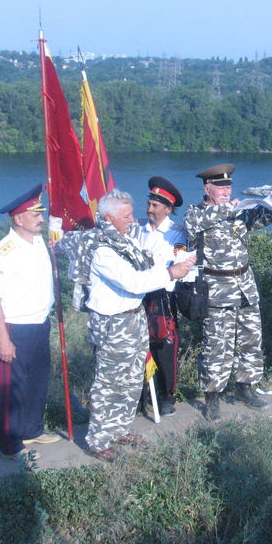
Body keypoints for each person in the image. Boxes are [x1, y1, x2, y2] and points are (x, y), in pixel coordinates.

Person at [65, 190, 193, 462]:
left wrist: (178, 265)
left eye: (132, 213)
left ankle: (119, 429)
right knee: (109, 383)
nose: (132, 219)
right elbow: (134, 282)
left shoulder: (124, 241)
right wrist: (171, 273)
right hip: (113, 323)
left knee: (133, 379)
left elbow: (147, 266)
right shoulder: (102, 248)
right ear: (109, 218)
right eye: (126, 215)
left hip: (134, 317)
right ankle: (98, 439)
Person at [184, 163, 272, 421]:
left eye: (228, 187)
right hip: (217, 290)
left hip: (245, 286)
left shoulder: (238, 213)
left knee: (250, 340)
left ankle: (245, 388)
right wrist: (228, 208)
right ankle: (213, 397)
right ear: (207, 188)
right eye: (220, 187)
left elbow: (264, 218)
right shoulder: (195, 213)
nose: (226, 191)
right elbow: (193, 226)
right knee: (217, 345)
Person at [0, 184, 59, 460]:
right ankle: (11, 441)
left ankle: (32, 429)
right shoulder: (3, 251)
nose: (41, 218)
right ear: (18, 219)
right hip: (15, 327)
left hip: (40, 323)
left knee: (37, 380)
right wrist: (3, 339)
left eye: (40, 214)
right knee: (13, 387)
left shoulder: (38, 241)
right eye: (35, 215)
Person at [135, 176, 187, 416]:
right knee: (138, 347)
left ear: (168, 208)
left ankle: (167, 396)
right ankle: (140, 396)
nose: (149, 209)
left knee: (164, 347)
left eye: (156, 206)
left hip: (162, 297)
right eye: (149, 204)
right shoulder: (137, 230)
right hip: (138, 294)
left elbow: (180, 262)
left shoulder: (177, 234)